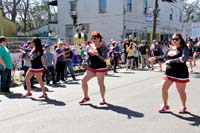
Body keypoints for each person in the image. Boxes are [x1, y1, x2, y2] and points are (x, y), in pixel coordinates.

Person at [159, 33, 189, 113]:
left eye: (176, 39)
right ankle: (165, 105)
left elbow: (183, 59)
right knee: (163, 87)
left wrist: (170, 61)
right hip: (169, 72)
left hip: (180, 73)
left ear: (180, 40)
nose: (174, 40)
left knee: (181, 91)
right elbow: (164, 58)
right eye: (173, 39)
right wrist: (155, 58)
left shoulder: (184, 48)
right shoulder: (170, 49)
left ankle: (183, 106)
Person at [79, 31, 108, 105]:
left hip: (100, 67)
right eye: (92, 38)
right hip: (91, 67)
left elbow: (105, 59)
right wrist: (84, 61)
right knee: (83, 81)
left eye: (94, 38)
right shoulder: (89, 46)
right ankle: (86, 97)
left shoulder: (103, 47)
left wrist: (97, 54)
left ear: (99, 38)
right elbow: (87, 56)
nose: (93, 39)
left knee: (100, 83)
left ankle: (102, 98)